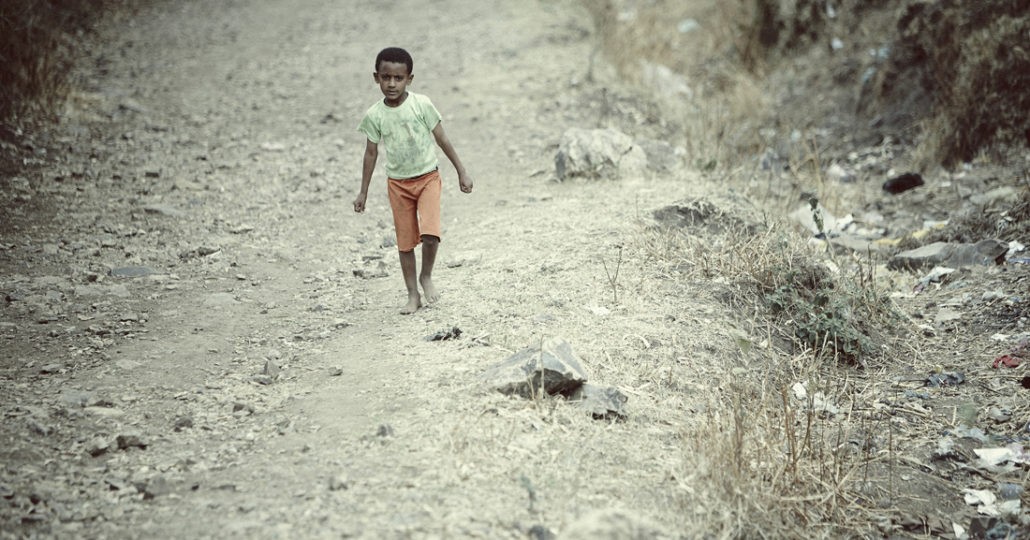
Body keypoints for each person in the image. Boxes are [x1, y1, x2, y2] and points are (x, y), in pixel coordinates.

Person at [353, 47, 474, 314]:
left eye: (398, 78)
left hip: (428, 177)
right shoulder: (375, 115)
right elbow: (370, 153)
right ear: (376, 78)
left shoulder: (421, 104)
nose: (392, 84)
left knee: (431, 234)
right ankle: (412, 294)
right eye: (386, 77)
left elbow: (442, 139)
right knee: (405, 242)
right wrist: (363, 192)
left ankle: (426, 276)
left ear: (410, 78)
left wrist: (461, 170)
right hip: (398, 185)